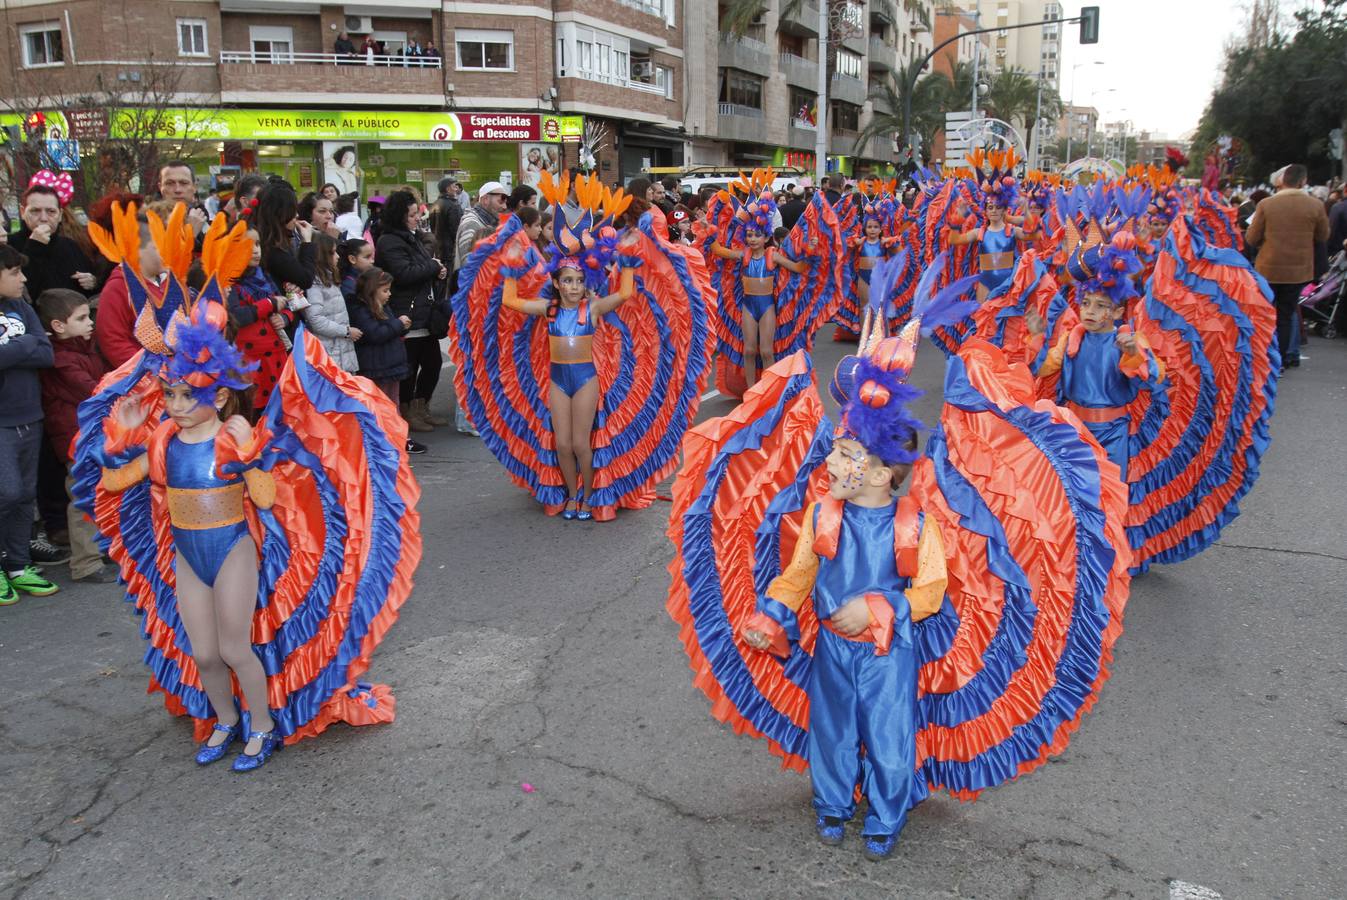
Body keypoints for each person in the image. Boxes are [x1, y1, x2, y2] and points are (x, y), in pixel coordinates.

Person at [76, 210, 418, 770]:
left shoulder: (235, 434)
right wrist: (122, 431)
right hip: (188, 553)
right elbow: (114, 481)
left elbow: (263, 499)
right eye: (170, 394)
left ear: (215, 389)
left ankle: (260, 726)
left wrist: (251, 458)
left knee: (236, 647)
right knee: (205, 652)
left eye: (188, 394)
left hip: (232, 548)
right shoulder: (161, 435)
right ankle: (224, 721)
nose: (177, 404)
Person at [498, 233, 640, 520]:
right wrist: (511, 265)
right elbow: (510, 300)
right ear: (556, 283)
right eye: (567, 281)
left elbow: (625, 293)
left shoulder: (594, 308)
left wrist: (626, 258)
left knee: (579, 443)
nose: (574, 287)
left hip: (586, 380)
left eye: (579, 281)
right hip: (558, 382)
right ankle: (572, 494)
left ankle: (588, 496)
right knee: (562, 443)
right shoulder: (548, 310)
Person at [1025, 235, 1162, 481]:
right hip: (1075, 429)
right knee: (1079, 492)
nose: (1089, 311)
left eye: (1100, 306)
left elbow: (1151, 379)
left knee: (1109, 490)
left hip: (1114, 433)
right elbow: (1043, 368)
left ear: (1118, 311)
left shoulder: (1128, 340)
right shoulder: (1071, 340)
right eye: (1085, 303)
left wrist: (1131, 353)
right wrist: (1037, 337)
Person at [35, 289, 117, 584]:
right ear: (59, 325)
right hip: (75, 439)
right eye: (81, 318)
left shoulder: (85, 348)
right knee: (84, 496)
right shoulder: (60, 360)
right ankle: (85, 562)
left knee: (103, 492)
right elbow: (93, 390)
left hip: (94, 435)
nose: (90, 323)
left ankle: (101, 548)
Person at [0, 245, 59, 605]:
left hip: (29, 415)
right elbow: (33, 346)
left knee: (24, 494)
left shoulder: (22, 307)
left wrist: (16, 349)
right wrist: (25, 346)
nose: (22, 278)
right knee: (4, 492)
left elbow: (47, 353)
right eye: (13, 272)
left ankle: (19, 565)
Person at [710, 192, 812, 387]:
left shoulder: (772, 256)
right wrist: (709, 230)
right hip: (748, 306)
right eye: (749, 235)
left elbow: (798, 268)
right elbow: (719, 251)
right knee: (748, 351)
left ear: (766, 237)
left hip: (767, 307)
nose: (753, 239)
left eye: (757, 235)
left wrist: (809, 250)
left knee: (766, 351)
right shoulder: (744, 255)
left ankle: (769, 389)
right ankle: (751, 391)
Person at [1245, 163, 1330, 368]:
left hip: (1268, 267)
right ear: (1303, 181)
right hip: (1298, 270)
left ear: (1282, 181)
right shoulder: (1315, 205)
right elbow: (1323, 236)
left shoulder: (1266, 205)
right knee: (1286, 315)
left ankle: (1260, 358)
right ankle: (1280, 360)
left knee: (1264, 314)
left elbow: (1252, 237)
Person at [377, 190, 448, 433]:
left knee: (432, 363)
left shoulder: (412, 237)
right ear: (400, 216)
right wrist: (432, 267)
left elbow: (423, 266)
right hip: (405, 310)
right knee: (409, 366)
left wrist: (436, 270)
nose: (417, 218)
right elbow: (404, 273)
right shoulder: (389, 241)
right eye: (412, 215)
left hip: (423, 311)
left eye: (417, 214)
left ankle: (421, 406)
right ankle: (407, 410)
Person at [349, 267, 423, 455]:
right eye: (385, 290)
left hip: (390, 363)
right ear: (372, 290)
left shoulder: (383, 307)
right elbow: (375, 333)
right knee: (380, 405)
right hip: (376, 365)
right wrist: (398, 324)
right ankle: (384, 442)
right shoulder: (361, 309)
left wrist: (401, 326)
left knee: (393, 403)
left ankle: (399, 438)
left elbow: (388, 329)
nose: (389, 294)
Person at [227, 228, 294, 411]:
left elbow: (287, 305)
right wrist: (269, 304)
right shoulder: (230, 282)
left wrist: (285, 318)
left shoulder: (264, 277)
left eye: (258, 244)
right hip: (251, 363)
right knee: (255, 411)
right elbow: (236, 316)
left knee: (280, 410)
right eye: (249, 245)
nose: (256, 250)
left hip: (276, 359)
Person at [10, 173, 100, 301]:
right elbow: (20, 293)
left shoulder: (70, 246)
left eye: (51, 211)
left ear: (60, 215)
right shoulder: (10, 246)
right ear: (22, 212)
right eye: (35, 211)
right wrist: (35, 246)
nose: (43, 218)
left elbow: (90, 290)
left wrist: (93, 282)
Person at [302, 234, 359, 373]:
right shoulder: (315, 283)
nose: (338, 257)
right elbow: (315, 319)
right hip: (329, 353)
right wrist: (345, 331)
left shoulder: (330, 279)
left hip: (340, 350)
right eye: (333, 253)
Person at [252, 182, 316, 295]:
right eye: (292, 210)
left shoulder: (272, 240)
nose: (296, 215)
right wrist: (307, 242)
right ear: (280, 213)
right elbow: (305, 278)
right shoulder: (271, 248)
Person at [158, 161, 208, 235]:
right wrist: (190, 233)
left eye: (184, 183)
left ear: (194, 187)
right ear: (160, 187)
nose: (177, 190)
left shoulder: (203, 221)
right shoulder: (146, 224)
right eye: (170, 183)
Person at [429, 177, 463, 280]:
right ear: (448, 189)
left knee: (441, 279)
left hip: (438, 249)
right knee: (451, 281)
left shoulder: (434, 204)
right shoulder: (453, 205)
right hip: (450, 251)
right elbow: (457, 231)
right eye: (454, 186)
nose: (457, 188)